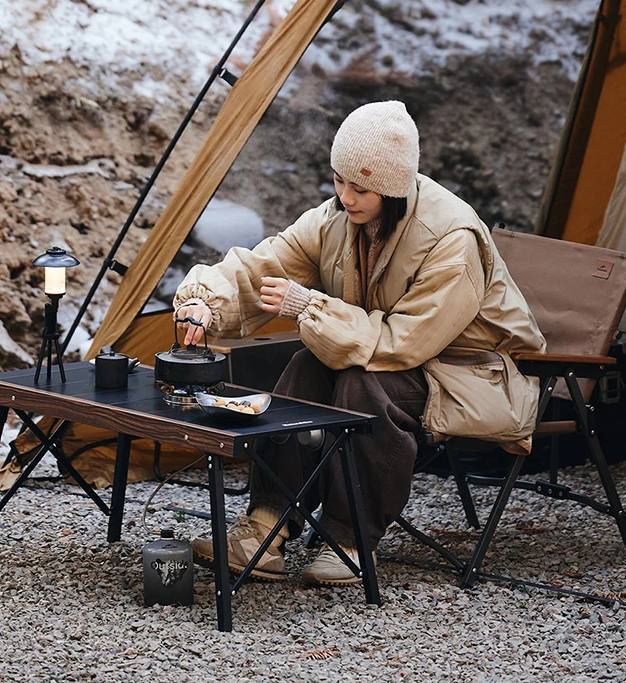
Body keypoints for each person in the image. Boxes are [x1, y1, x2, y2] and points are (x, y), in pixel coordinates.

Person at [173, 100, 546, 585]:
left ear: (392, 188)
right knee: (307, 366)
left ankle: (348, 540)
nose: (344, 197)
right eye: (338, 180)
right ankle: (264, 530)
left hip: (470, 373)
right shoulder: (337, 219)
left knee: (361, 385)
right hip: (382, 357)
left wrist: (309, 307)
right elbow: (262, 266)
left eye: (360, 187)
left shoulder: (451, 238)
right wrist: (206, 302)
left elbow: (404, 344)